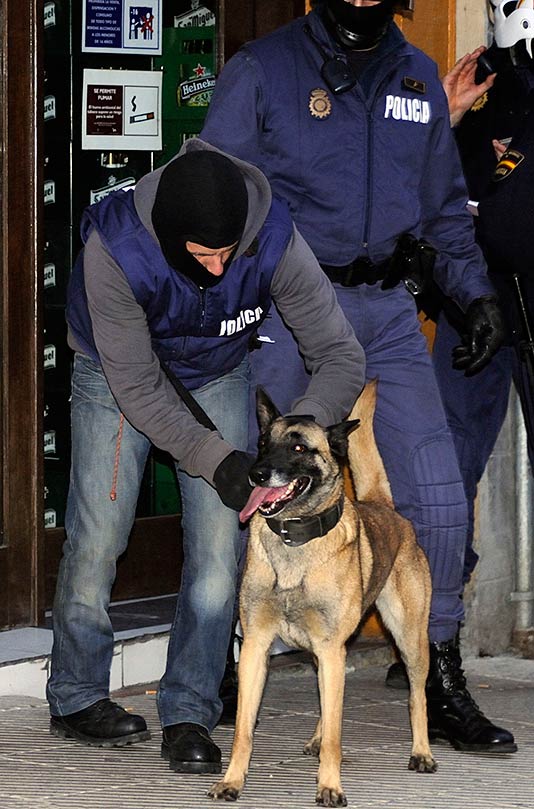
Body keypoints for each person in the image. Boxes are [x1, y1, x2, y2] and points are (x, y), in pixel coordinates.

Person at [200, 0, 516, 752]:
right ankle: (216, 659)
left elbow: (442, 213)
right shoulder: (263, 71)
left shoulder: (414, 77)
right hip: (294, 302)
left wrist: (474, 296)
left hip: (386, 313)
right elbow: (213, 194)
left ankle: (434, 672)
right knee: (252, 483)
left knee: (438, 495)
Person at [45, 139, 366, 774]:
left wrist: (299, 440)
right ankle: (77, 695)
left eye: (229, 254)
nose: (219, 270)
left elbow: (339, 353)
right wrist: (216, 459)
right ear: (167, 238)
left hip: (217, 372)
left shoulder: (271, 234)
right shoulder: (113, 248)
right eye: (201, 255)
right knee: (99, 536)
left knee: (221, 554)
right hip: (114, 377)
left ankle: (190, 708)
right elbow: (138, 389)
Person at [432, 1, 534, 597]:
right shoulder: (474, 74)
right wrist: (440, 122)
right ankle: (440, 622)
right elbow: (420, 179)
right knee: (450, 460)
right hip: (471, 294)